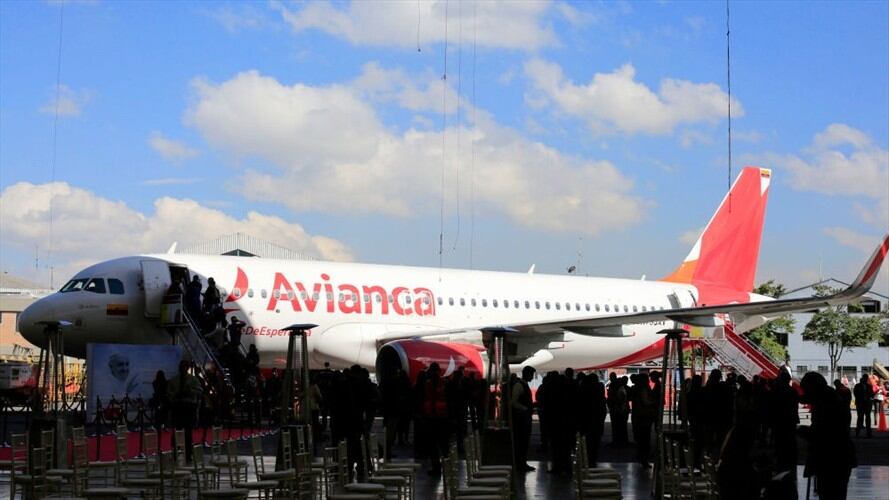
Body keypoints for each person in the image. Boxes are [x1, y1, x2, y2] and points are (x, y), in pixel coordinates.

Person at [799, 372, 856, 500]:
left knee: (830, 493)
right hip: (840, 457)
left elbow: (826, 433)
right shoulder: (829, 397)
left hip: (833, 458)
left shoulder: (826, 402)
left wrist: (807, 433)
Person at [168, 360, 202, 462]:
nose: (182, 368)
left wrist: (190, 390)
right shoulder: (174, 380)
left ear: (187, 368)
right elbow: (169, 393)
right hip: (178, 407)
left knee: (188, 432)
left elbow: (199, 391)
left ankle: (188, 454)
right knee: (176, 432)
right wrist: (175, 395)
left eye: (184, 366)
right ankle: (175, 453)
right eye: (181, 366)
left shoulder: (193, 380)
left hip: (188, 407)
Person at [511, 366, 535, 472]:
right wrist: (524, 408)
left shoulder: (522, 385)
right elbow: (513, 402)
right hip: (521, 419)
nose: (533, 377)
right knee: (521, 441)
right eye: (532, 375)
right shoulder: (519, 385)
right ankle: (520, 463)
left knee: (524, 442)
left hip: (524, 418)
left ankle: (522, 462)